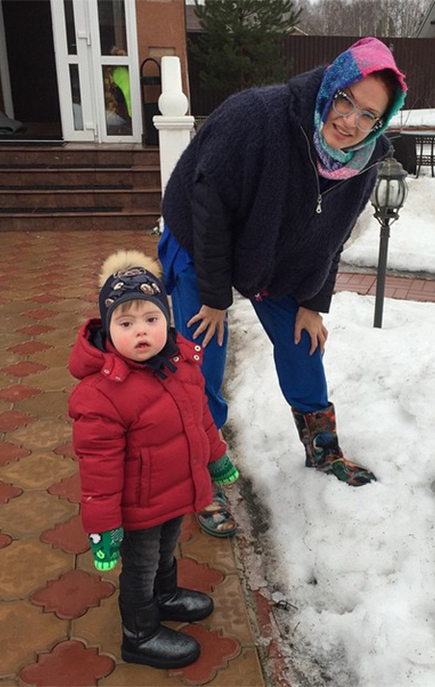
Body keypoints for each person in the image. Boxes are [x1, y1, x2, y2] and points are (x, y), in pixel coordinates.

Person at [159, 37, 407, 535]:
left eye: (368, 116)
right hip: (200, 235)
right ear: (330, 87)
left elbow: (332, 236)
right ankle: (203, 472)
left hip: (270, 249)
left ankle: (322, 448)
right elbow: (207, 203)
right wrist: (215, 298)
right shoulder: (257, 116)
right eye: (345, 101)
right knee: (201, 354)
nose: (350, 122)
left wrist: (313, 303)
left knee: (302, 342)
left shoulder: (362, 162)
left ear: (381, 122)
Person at [68, 250, 239, 670]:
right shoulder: (101, 395)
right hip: (137, 506)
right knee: (140, 567)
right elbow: (99, 473)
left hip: (173, 494)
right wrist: (104, 529)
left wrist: (216, 461)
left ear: (167, 319)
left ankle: (165, 596)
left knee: (166, 551)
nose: (141, 332)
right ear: (108, 330)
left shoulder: (180, 366)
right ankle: (139, 634)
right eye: (126, 324)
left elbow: (200, 420)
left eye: (151, 319)